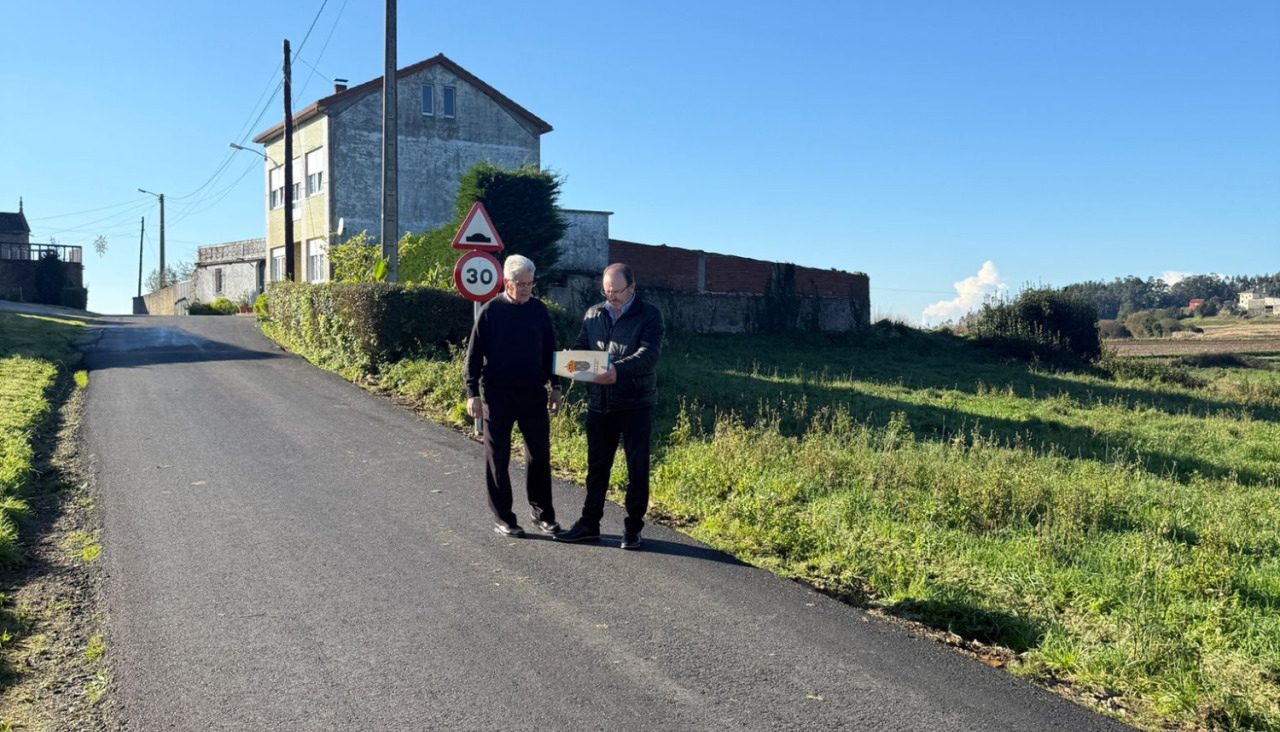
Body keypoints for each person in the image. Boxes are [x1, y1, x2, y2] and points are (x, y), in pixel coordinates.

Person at [555, 263, 664, 550]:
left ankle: (632, 528)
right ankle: (589, 524)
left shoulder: (650, 315)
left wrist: (618, 370)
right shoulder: (593, 313)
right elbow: (583, 347)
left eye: (617, 291)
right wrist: (569, 363)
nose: (612, 296)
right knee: (597, 468)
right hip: (599, 403)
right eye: (607, 290)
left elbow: (649, 355)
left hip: (635, 404)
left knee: (636, 468)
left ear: (632, 287)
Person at [464, 254, 563, 538]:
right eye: (520, 284)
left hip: (533, 393)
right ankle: (504, 517)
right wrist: (473, 393)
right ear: (506, 282)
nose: (526, 289)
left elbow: (550, 352)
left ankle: (542, 514)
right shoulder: (490, 311)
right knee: (499, 458)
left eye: (530, 284)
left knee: (540, 456)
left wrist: (555, 386)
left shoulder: (539, 310)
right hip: (498, 395)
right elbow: (472, 357)